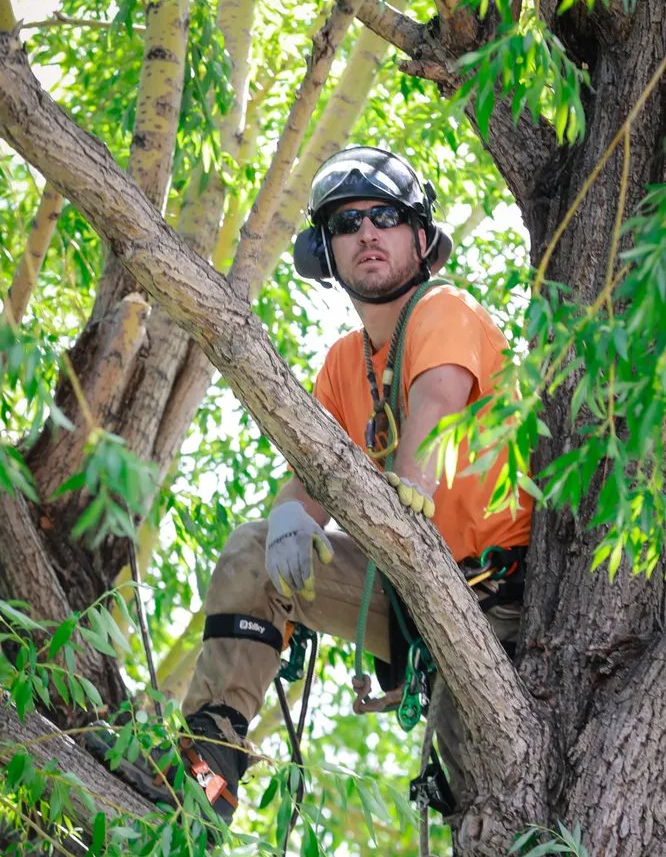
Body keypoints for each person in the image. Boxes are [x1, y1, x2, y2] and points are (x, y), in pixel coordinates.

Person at [105, 146, 532, 821]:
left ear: (421, 236)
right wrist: (288, 524)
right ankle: (206, 771)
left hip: (499, 601)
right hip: (409, 595)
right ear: (324, 253)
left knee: (478, 761)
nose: (366, 232)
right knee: (252, 553)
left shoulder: (445, 309)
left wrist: (410, 488)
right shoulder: (343, 363)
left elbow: (437, 400)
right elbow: (312, 476)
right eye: (345, 222)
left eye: (385, 217)